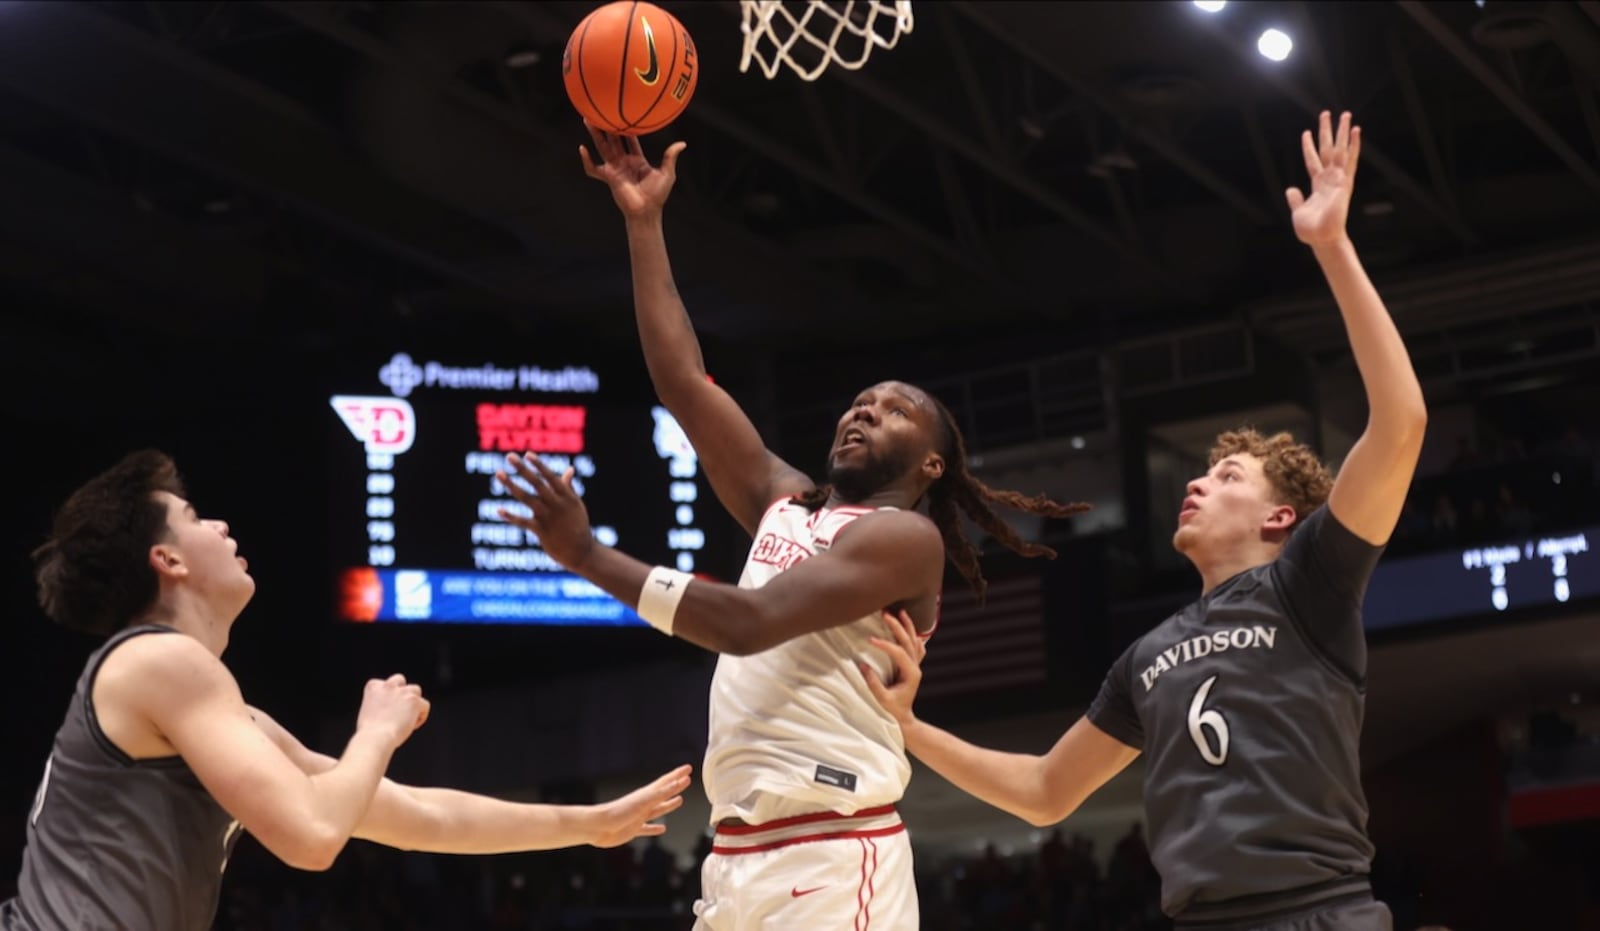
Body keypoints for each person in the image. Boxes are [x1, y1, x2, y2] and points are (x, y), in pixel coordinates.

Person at [489, 124, 1088, 931]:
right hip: (736, 854)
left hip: (833, 851)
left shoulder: (905, 540)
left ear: (933, 466)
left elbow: (750, 623)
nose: (864, 409)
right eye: (859, 400)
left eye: (895, 409)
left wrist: (589, 555)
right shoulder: (787, 498)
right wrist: (643, 224)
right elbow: (684, 382)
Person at [862, 112, 1425, 931]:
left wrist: (1331, 245)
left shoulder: (1312, 583)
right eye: (1201, 470)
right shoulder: (1146, 657)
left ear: (1280, 516)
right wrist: (909, 727)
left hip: (1319, 912)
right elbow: (1046, 792)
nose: (1197, 482)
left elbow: (1402, 419)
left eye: (1226, 475)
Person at [2, 450, 692, 931]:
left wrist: (590, 824)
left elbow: (415, 816)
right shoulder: (158, 661)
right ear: (169, 559)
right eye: (194, 516)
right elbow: (314, 835)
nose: (218, 524)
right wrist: (377, 732)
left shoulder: (208, 704)